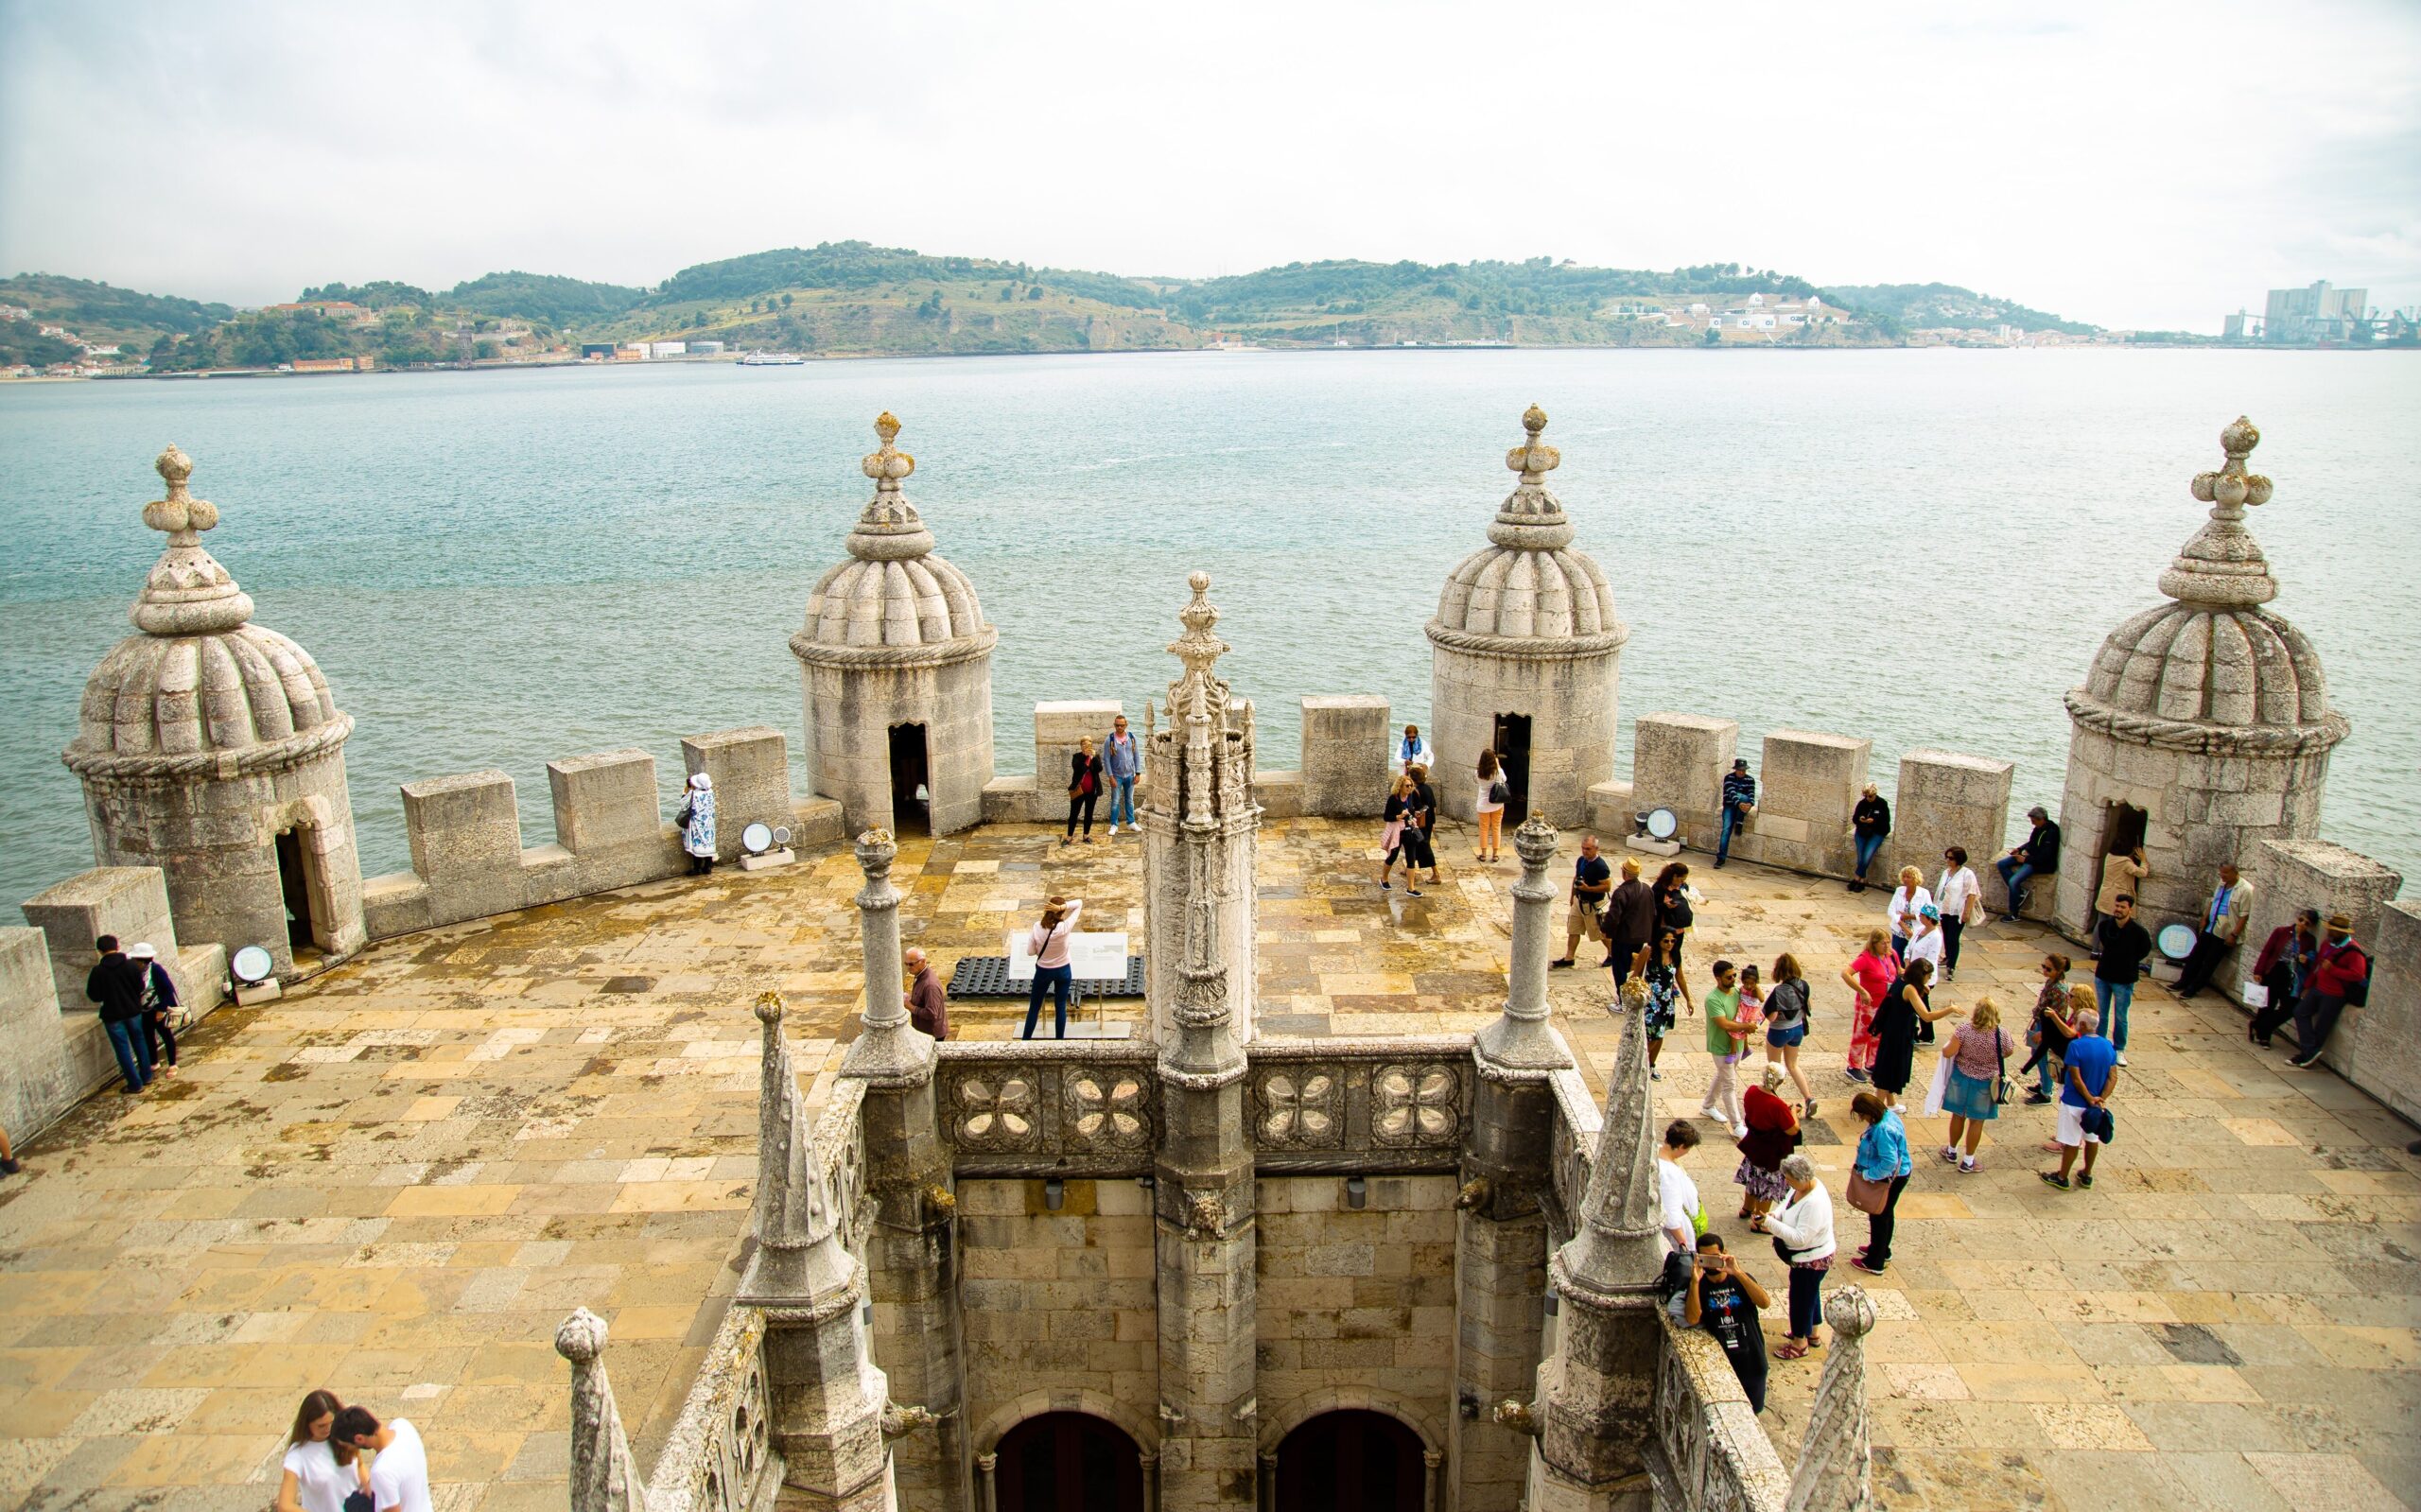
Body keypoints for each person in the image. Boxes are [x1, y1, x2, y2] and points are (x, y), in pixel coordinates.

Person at [1748, 1153, 1834, 1360]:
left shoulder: (1814, 1203)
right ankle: (1812, 1333)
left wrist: (1770, 1224)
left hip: (1810, 1260)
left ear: (1801, 1177)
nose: (1786, 1182)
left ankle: (1799, 1341)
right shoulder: (1801, 1188)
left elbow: (1800, 1238)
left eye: (1789, 1179)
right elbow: (1786, 1204)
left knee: (1800, 1300)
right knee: (1810, 1294)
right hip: (1806, 1257)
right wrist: (1773, 1216)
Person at [1683, 1233, 1773, 1413]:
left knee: (1753, 1412)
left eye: (1715, 1258)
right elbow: (1692, 1318)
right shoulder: (1698, 1286)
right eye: (1705, 1259)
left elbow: (1764, 1303)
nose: (1711, 1264)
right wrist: (1694, 1282)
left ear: (1724, 1254)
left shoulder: (1740, 1280)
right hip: (1724, 1363)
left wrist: (1737, 1272)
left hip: (1752, 1359)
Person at [2041, 1007, 2116, 1191]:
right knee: (2091, 1139)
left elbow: (2075, 1077)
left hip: (2074, 1102)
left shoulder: (2076, 1046)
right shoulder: (2108, 1046)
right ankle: (2087, 1174)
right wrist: (2100, 1099)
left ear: (2082, 1025)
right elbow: (2113, 1077)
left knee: (2071, 1142)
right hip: (2095, 1106)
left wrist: (2089, 1097)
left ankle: (2062, 1176)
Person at [1938, 999, 2014, 1173]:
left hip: (1961, 1079)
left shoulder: (1965, 1030)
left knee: (1958, 1116)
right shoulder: (2001, 1034)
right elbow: (2009, 1052)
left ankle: (1951, 1151)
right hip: (1985, 1082)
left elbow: (1948, 1051)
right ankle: (1968, 1161)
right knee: (1977, 1121)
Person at [2289, 914, 2372, 1069]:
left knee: (2322, 1026)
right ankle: (2310, 1051)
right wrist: (2308, 985)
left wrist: (2333, 970)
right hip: (2318, 988)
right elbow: (2318, 966)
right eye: (2330, 930)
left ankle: (2306, 1056)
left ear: (2342, 933)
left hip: (2335, 994)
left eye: (2333, 931)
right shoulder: (2328, 944)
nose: (2329, 934)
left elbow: (2357, 974)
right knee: (2300, 1012)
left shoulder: (2354, 951)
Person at [1845, 1091, 1913, 1277]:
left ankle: (1875, 1261)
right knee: (1885, 1213)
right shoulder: (1889, 1116)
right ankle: (1882, 1249)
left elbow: (1889, 1161)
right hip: (1899, 1174)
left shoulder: (1882, 1130)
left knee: (1879, 1216)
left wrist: (1869, 1175)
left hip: (1888, 1178)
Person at [1872, 959, 1956, 1107]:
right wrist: (1950, 1009)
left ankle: (1890, 1103)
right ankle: (1876, 1110)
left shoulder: (1902, 979)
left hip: (1893, 1030)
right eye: (1928, 977)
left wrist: (1922, 988)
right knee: (1888, 1071)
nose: (1928, 980)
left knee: (1891, 1068)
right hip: (1898, 1035)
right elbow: (1926, 1016)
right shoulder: (1909, 989)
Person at [2174, 862, 2256, 999]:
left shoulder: (2245, 890)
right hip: (2211, 926)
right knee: (2196, 955)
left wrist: (2234, 934)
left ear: (2235, 873)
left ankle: (2194, 988)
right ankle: (2184, 981)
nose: (2222, 876)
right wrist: (2205, 918)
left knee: (2210, 962)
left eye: (2225, 873)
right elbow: (2213, 901)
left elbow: (2244, 915)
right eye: (2221, 873)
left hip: (2225, 930)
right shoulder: (2222, 884)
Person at [84, 934, 151, 1094]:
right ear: (118, 946)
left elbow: (94, 996)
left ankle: (135, 1084)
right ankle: (147, 1075)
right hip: (134, 1012)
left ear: (100, 951)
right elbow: (140, 987)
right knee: (140, 1042)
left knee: (122, 1050)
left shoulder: (98, 971)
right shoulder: (131, 966)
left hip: (113, 1015)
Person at [278, 1390, 366, 1512]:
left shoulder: (343, 1437)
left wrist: (370, 1489)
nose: (328, 1429)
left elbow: (359, 1465)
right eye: (321, 1425)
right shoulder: (298, 1454)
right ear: (307, 1424)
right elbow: (285, 1505)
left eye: (331, 1423)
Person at [1733, 1062, 1802, 1220]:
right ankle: (1760, 1219)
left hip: (1754, 1144)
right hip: (1771, 1151)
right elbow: (1792, 1129)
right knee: (1768, 1184)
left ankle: (1747, 1208)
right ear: (1781, 1081)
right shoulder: (1777, 1105)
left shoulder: (1751, 1091)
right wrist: (1793, 1112)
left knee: (1752, 1177)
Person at [2091, 894, 2152, 1067]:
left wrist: (2129, 962)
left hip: (2124, 979)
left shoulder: (2138, 932)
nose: (2118, 909)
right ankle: (2100, 1046)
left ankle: (2119, 1049)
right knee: (2101, 1014)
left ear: (2130, 909)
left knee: (2120, 1016)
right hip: (2104, 976)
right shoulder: (2105, 926)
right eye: (2117, 906)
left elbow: (2144, 950)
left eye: (2122, 907)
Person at [332, 1407, 431, 1512]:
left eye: (348, 1446)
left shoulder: (381, 1471)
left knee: (352, 1503)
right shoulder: (403, 1426)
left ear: (359, 1439)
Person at [2249, 909, 2320, 1048]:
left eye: (2307, 923)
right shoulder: (2282, 932)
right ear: (2297, 919)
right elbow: (2267, 951)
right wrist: (2259, 970)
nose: (2302, 924)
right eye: (2301, 920)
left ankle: (2258, 1025)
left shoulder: (2310, 940)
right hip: (2276, 969)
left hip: (2293, 975)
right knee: (2268, 1003)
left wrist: (2306, 960)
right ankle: (2264, 1036)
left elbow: (2312, 961)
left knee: (2289, 1007)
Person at [1839, 930, 1897, 1085]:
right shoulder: (1865, 958)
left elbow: (1898, 971)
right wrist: (1862, 991)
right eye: (1883, 943)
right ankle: (1853, 1065)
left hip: (1885, 1003)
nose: (1886, 946)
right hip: (1868, 1005)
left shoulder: (1891, 955)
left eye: (1888, 942)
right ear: (1874, 943)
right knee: (1862, 1034)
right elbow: (1846, 973)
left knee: (1878, 1034)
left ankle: (1871, 1063)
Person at [1699, 960, 1750, 1137]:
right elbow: (1723, 1024)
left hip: (1738, 1046)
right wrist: (1746, 1026)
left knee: (1723, 1076)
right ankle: (1737, 1125)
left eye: (1734, 975)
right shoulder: (1713, 999)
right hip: (1721, 1048)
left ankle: (1708, 1105)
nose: (1733, 979)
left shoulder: (1737, 992)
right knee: (1730, 1084)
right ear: (1718, 978)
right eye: (1729, 976)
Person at [1021, 896, 1083, 1040]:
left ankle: (1025, 1041)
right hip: (1063, 969)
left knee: (1034, 1007)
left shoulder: (1037, 927)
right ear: (1060, 912)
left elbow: (1030, 952)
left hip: (1043, 970)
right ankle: (1059, 1041)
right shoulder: (1065, 927)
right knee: (1060, 1006)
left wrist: (1040, 950)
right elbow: (1079, 904)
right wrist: (1063, 907)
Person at [1761, 953, 1816, 1114]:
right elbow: (1808, 1007)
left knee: (1774, 1069)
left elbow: (1772, 1017)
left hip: (1779, 1031)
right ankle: (1809, 1098)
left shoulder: (1779, 991)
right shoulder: (1804, 985)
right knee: (1792, 1065)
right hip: (1797, 1029)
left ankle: (1772, 1101)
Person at [2018, 954, 2077, 1103]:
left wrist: (2043, 1032)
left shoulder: (2059, 989)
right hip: (2041, 1023)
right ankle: (2044, 1083)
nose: (2044, 970)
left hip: (2047, 1029)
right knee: (2036, 1054)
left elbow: (2060, 1015)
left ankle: (2046, 1092)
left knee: (2043, 1058)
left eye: (2048, 968)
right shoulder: (2051, 982)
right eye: (2043, 966)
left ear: (2058, 970)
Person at [1553, 835, 1612, 967]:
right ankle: (1569, 957)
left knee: (1600, 932)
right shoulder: (1581, 860)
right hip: (1579, 902)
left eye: (1588, 849)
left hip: (1593, 905)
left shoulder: (1601, 866)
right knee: (1573, 929)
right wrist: (1572, 896)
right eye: (1583, 848)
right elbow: (1576, 878)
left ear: (1596, 849)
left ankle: (1612, 953)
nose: (1585, 851)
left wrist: (1588, 888)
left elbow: (1607, 886)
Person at [1640, 929, 1692, 1080]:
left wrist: (1688, 999)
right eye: (1666, 941)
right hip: (1651, 1001)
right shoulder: (1648, 952)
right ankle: (1641, 1064)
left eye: (1672, 941)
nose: (1670, 944)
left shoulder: (1675, 955)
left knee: (1661, 1034)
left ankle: (1651, 1064)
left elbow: (1680, 977)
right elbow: (1637, 974)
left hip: (1666, 1002)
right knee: (1653, 1035)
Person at [1996, 805, 2062, 921]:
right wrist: (2019, 849)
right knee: (2001, 864)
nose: (2032, 823)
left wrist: (2026, 860)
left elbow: (2045, 856)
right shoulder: (2038, 828)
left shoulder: (2052, 832)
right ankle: (2020, 892)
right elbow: (2031, 843)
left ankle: (2014, 913)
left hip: (2039, 863)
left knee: (2013, 881)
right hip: (2030, 856)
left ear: (2042, 819)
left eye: (2034, 821)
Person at [129, 942, 179, 1078]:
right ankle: (154, 1061)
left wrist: (162, 1009)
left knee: (166, 1035)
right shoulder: (136, 972)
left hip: (158, 1009)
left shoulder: (156, 970)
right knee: (148, 1036)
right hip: (144, 1011)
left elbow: (168, 990)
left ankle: (172, 1064)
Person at [1603, 857, 1655, 983]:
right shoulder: (1647, 889)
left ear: (1624, 873)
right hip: (1640, 937)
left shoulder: (1621, 892)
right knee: (1636, 967)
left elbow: (1614, 917)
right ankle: (1633, 993)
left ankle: (1623, 998)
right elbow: (1653, 913)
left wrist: (1605, 929)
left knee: (1619, 968)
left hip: (1623, 937)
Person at [1656, 1120, 1705, 1253]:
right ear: (1682, 1146)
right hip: (1680, 1236)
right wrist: (1684, 1243)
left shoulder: (1657, 1151)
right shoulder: (1668, 1174)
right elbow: (1671, 1214)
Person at [1935, 847, 1981, 983]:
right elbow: (1940, 890)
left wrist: (1966, 912)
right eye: (1947, 857)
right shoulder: (1946, 872)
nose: (1948, 860)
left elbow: (1972, 893)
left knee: (1953, 938)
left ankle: (1951, 966)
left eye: (1951, 858)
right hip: (1945, 909)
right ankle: (1948, 957)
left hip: (1957, 911)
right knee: (1946, 935)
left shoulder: (1967, 874)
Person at [1902, 906, 1946, 1042]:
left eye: (1922, 915)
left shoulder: (1935, 937)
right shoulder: (1920, 930)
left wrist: (1920, 979)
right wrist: (1908, 963)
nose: (1919, 917)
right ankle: (1926, 1034)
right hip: (1912, 974)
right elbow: (1909, 948)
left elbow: (1930, 961)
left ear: (1929, 919)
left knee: (1920, 1007)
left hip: (1923, 978)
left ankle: (1926, 1035)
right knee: (1921, 1006)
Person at [1399, 765, 1439, 895]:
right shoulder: (1428, 789)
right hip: (1427, 823)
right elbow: (1433, 807)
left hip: (1419, 824)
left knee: (1424, 847)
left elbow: (1414, 809)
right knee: (1417, 845)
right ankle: (1408, 868)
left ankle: (1436, 874)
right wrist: (1433, 822)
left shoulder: (1415, 792)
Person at [2092, 844, 2148, 936]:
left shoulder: (2109, 857)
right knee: (2113, 925)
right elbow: (2142, 873)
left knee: (2100, 923)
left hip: (2105, 894)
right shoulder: (2126, 863)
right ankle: (2109, 948)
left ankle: (2095, 949)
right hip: (2117, 898)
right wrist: (2143, 861)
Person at [1102, 714, 1141, 836]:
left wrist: (1138, 773)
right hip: (1117, 776)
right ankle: (1114, 824)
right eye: (1117, 725)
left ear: (1126, 725)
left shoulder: (1131, 738)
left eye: (1122, 725)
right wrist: (1110, 776)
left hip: (1130, 775)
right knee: (1115, 801)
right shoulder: (1110, 740)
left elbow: (1136, 756)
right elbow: (1106, 760)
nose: (1119, 727)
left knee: (1129, 800)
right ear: (1114, 725)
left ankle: (1131, 822)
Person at [1849, 784, 1891, 893]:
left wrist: (1874, 821)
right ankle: (1862, 881)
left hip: (1877, 832)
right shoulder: (1862, 804)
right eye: (1866, 796)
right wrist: (1861, 819)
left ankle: (1856, 879)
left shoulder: (1882, 804)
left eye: (1871, 796)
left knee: (1866, 857)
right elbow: (1854, 819)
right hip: (1862, 831)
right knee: (1861, 858)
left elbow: (1886, 823)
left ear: (1875, 794)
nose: (1868, 798)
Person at [1378, 772, 1416, 891]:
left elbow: (1412, 811)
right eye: (1407, 786)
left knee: (1411, 859)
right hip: (1397, 831)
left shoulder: (1410, 797)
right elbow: (1386, 817)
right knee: (1392, 856)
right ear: (1400, 786)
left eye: (1411, 785)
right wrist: (1398, 816)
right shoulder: (1393, 799)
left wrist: (1414, 815)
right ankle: (1384, 878)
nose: (1410, 788)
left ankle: (1411, 888)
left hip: (1408, 829)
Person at [1716, 757, 1756, 868]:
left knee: (1745, 798)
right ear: (1736, 769)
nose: (1742, 772)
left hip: (1741, 807)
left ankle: (1739, 820)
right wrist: (1740, 803)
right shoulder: (1729, 778)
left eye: (1743, 770)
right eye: (1740, 770)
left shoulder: (1750, 780)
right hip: (1730, 805)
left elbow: (1752, 795)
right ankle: (1721, 858)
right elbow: (1731, 793)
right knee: (1726, 830)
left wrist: (1750, 804)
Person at [1063, 737, 1104, 845]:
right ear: (1081, 746)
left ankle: (1086, 835)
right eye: (1084, 745)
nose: (1086, 747)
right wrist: (1086, 758)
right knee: (1074, 814)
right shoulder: (1076, 757)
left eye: (1089, 745)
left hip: (1091, 791)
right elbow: (1079, 769)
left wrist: (1093, 757)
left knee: (1089, 814)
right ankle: (1069, 837)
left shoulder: (1095, 756)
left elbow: (1099, 769)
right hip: (1078, 790)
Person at [1885, 867, 1931, 959]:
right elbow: (1891, 910)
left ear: (1915, 879)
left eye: (1908, 877)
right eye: (1904, 877)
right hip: (1899, 930)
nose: (1905, 879)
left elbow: (1928, 914)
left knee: (1913, 957)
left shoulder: (1924, 893)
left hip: (1916, 931)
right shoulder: (1899, 890)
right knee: (1896, 956)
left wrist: (1910, 916)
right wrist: (1903, 925)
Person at [903, 947, 949, 1040]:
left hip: (931, 1035)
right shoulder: (920, 975)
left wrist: (910, 1006)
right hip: (925, 1032)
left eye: (911, 964)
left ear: (923, 961)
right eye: (906, 964)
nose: (908, 967)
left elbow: (931, 1014)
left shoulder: (930, 985)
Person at [1654, 861, 1695, 965]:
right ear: (1674, 876)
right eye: (1681, 879)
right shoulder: (1659, 888)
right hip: (1663, 928)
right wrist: (1664, 906)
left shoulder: (1682, 886)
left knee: (1675, 952)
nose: (1682, 882)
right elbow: (1651, 907)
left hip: (1679, 928)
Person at [677, 772, 717, 876]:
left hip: (697, 823)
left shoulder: (693, 794)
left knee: (697, 844)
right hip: (708, 823)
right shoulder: (711, 792)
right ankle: (708, 867)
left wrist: (685, 792)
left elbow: (683, 804)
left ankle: (697, 869)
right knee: (708, 842)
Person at [1474, 749, 1507, 863]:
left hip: (1483, 804)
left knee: (1483, 829)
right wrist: (1498, 765)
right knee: (1496, 828)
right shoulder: (1497, 772)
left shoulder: (1478, 772)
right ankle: (1495, 854)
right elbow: (1504, 780)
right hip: (1497, 804)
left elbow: (1478, 782)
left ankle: (1483, 854)